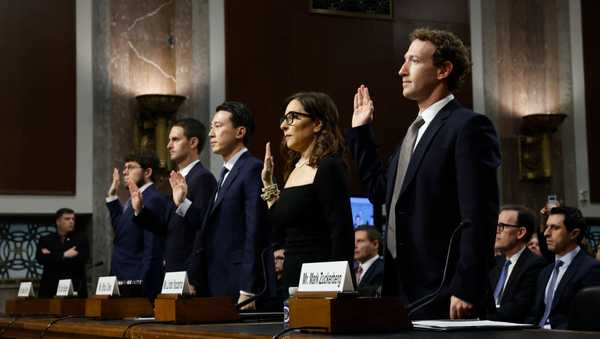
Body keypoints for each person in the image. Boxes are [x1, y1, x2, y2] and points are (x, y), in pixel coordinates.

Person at [347, 28, 501, 319]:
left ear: (443, 69)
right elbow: (378, 192)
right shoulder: (411, 135)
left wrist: (467, 285)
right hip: (401, 289)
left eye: (414, 61)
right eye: (405, 60)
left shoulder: (468, 127)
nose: (401, 70)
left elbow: (479, 214)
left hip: (446, 291)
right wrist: (362, 133)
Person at [262, 92, 355, 295]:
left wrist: (336, 288)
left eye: (292, 117)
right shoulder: (294, 169)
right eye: (283, 119)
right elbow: (279, 226)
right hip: (293, 276)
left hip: (322, 279)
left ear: (317, 124)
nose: (283, 126)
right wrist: (269, 184)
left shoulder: (329, 166)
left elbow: (341, 232)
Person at [184, 101, 272, 310]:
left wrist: (248, 289)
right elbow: (209, 229)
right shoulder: (225, 173)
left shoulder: (252, 168)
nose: (211, 133)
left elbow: (255, 230)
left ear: (240, 131)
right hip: (215, 280)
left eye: (218, 126)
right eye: (211, 126)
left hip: (238, 284)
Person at [133, 118, 217, 272]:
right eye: (169, 140)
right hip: (173, 270)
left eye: (175, 140)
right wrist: (140, 211)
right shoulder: (173, 180)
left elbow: (204, 229)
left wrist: (193, 277)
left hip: (189, 273)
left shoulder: (203, 178)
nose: (168, 145)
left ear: (193, 143)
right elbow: (167, 227)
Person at [106, 152, 167, 300]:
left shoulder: (153, 199)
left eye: (131, 167)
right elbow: (122, 232)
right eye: (124, 168)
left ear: (147, 172)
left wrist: (144, 284)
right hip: (122, 277)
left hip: (137, 281)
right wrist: (112, 197)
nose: (125, 172)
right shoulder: (135, 197)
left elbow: (152, 247)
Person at [527, 206, 600, 329]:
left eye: (555, 228)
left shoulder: (591, 269)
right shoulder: (545, 271)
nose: (546, 233)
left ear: (574, 233)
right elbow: (534, 315)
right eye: (547, 227)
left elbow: (584, 321)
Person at [489, 205, 546, 322]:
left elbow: (518, 309)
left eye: (501, 226)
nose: (496, 231)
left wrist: (482, 316)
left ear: (520, 232)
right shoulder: (496, 263)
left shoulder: (535, 264)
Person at [36, 208, 89, 298]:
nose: (71, 221)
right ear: (58, 222)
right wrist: (64, 255)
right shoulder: (46, 240)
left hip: (74, 289)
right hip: (51, 289)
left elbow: (82, 258)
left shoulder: (81, 239)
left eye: (73, 219)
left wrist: (53, 256)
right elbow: (41, 259)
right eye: (67, 219)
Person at [354, 225, 384, 296]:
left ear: (375, 244)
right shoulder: (353, 271)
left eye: (360, 241)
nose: (354, 245)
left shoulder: (383, 270)